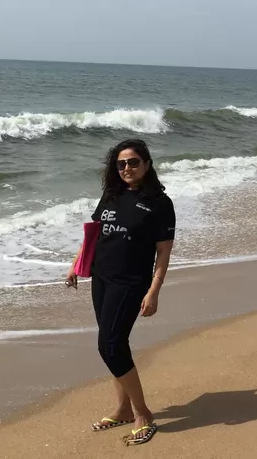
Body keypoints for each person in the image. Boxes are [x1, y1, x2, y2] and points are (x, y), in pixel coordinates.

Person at [65, 138, 176, 446]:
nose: (127, 168)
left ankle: (143, 413)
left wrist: (154, 291)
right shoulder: (112, 194)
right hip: (101, 278)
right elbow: (94, 234)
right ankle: (123, 409)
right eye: (121, 163)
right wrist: (76, 265)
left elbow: (163, 253)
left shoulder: (159, 203)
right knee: (115, 344)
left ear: (147, 164)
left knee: (110, 345)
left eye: (133, 162)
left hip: (130, 283)